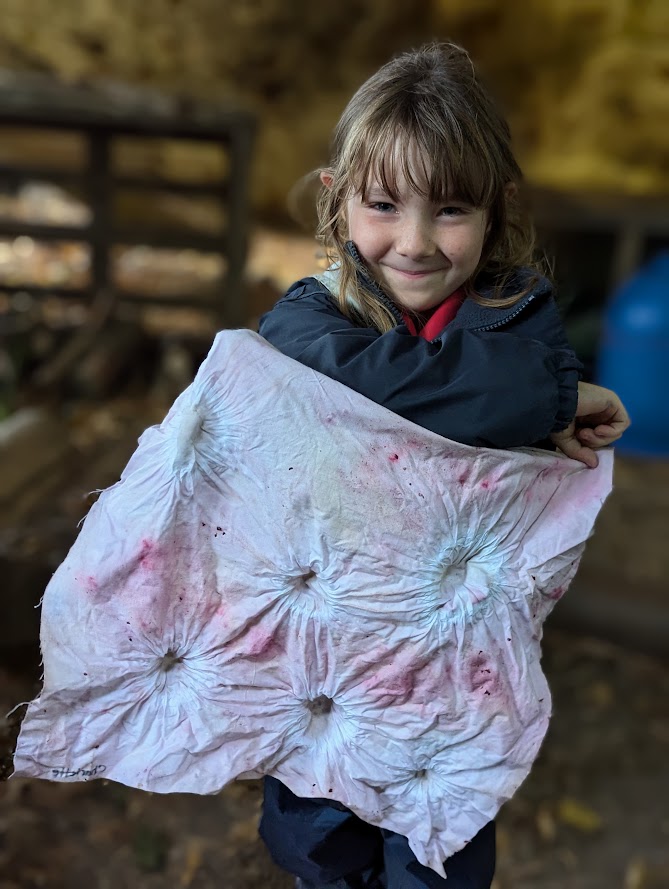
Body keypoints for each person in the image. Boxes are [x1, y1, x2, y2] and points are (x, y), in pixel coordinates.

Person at [256, 42, 629, 889]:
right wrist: (552, 397)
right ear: (336, 200)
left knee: (438, 855)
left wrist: (541, 394)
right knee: (315, 840)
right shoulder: (308, 321)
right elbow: (352, 386)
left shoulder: (519, 323)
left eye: (450, 209)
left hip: (457, 675)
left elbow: (480, 409)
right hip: (325, 657)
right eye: (384, 204)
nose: (415, 242)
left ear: (497, 212)